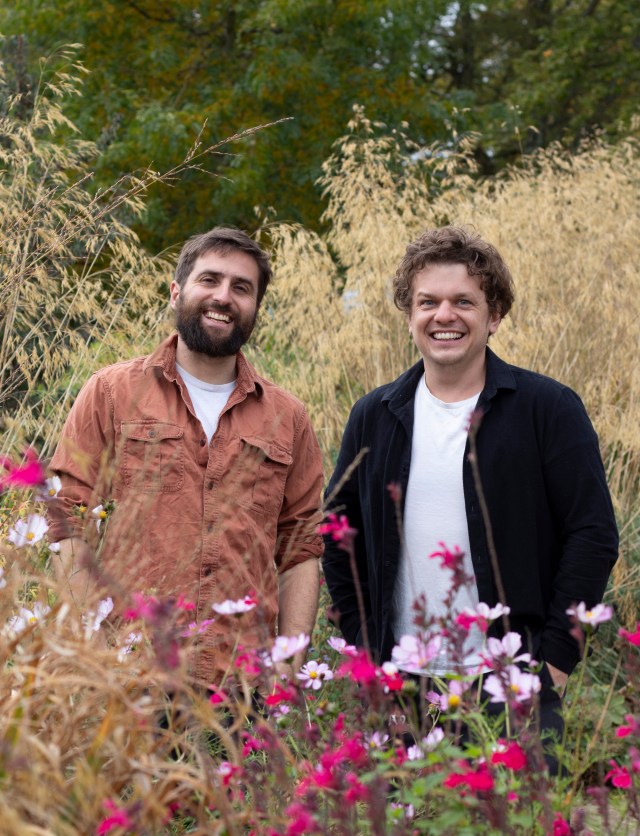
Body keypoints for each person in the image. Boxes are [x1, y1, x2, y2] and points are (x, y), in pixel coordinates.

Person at [322, 225, 618, 751]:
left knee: (509, 834)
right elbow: (336, 537)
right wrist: (367, 661)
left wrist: (554, 664)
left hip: (512, 684)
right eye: (427, 302)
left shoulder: (547, 410)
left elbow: (592, 535)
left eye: (464, 301)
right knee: (404, 834)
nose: (444, 316)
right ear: (409, 315)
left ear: (494, 315)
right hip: (402, 685)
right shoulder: (375, 416)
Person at [47, 227, 324, 686]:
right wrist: (89, 651)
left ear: (256, 307)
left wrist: (289, 664)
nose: (224, 297)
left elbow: (301, 547)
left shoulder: (287, 418)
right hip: (128, 679)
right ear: (176, 292)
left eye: (242, 288)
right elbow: (69, 519)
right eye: (209, 280)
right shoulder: (111, 394)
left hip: (240, 690)